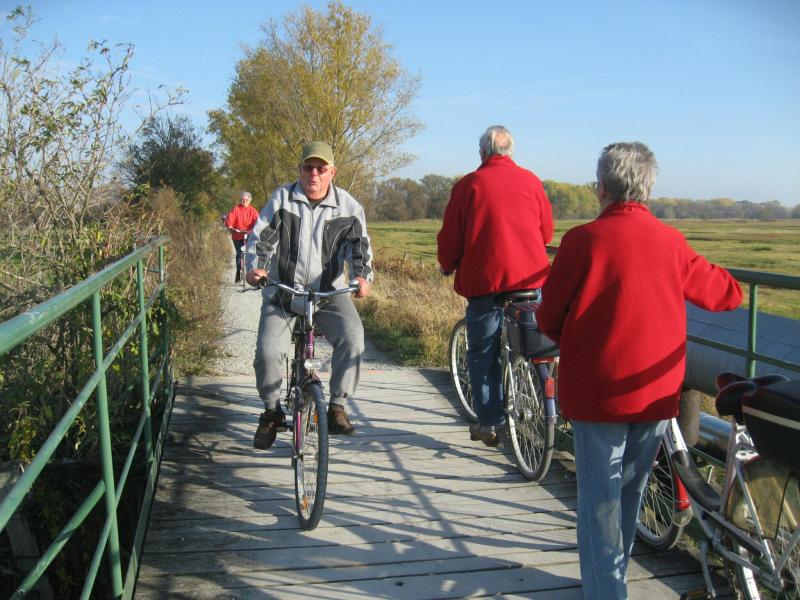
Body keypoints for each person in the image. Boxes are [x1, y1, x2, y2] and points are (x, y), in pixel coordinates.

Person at [536, 142, 742, 600]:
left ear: (601, 188)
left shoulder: (581, 241)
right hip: (654, 391)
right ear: (647, 188)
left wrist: (576, 336)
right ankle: (612, 582)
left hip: (596, 392)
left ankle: (606, 591)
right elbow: (726, 294)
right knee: (631, 491)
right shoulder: (671, 242)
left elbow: (548, 318)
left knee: (599, 500)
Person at [245, 141, 373, 449]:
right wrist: (255, 268)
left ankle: (338, 406)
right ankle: (271, 411)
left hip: (329, 294)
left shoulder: (348, 207)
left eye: (321, 168)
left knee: (353, 338)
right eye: (308, 167)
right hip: (284, 293)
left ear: (332, 172)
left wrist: (361, 277)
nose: (314, 174)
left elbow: (360, 248)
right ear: (300, 169)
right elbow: (261, 239)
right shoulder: (282, 199)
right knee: (267, 352)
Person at [437, 125, 554, 446]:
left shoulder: (469, 186)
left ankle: (489, 422)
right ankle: (537, 390)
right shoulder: (531, 181)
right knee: (533, 342)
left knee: (483, 352)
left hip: (486, 284)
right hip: (529, 280)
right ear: (511, 152)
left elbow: (451, 238)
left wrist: (447, 265)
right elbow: (546, 233)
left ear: (482, 153)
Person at [224, 191, 259, 283]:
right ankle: (238, 272)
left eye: (246, 200)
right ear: (241, 200)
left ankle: (252, 273)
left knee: (252, 254)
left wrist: (257, 228)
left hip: (249, 235)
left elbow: (258, 221)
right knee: (240, 253)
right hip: (237, 235)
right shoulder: (236, 209)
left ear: (250, 200)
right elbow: (230, 218)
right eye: (243, 199)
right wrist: (230, 225)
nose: (244, 201)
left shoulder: (253, 211)